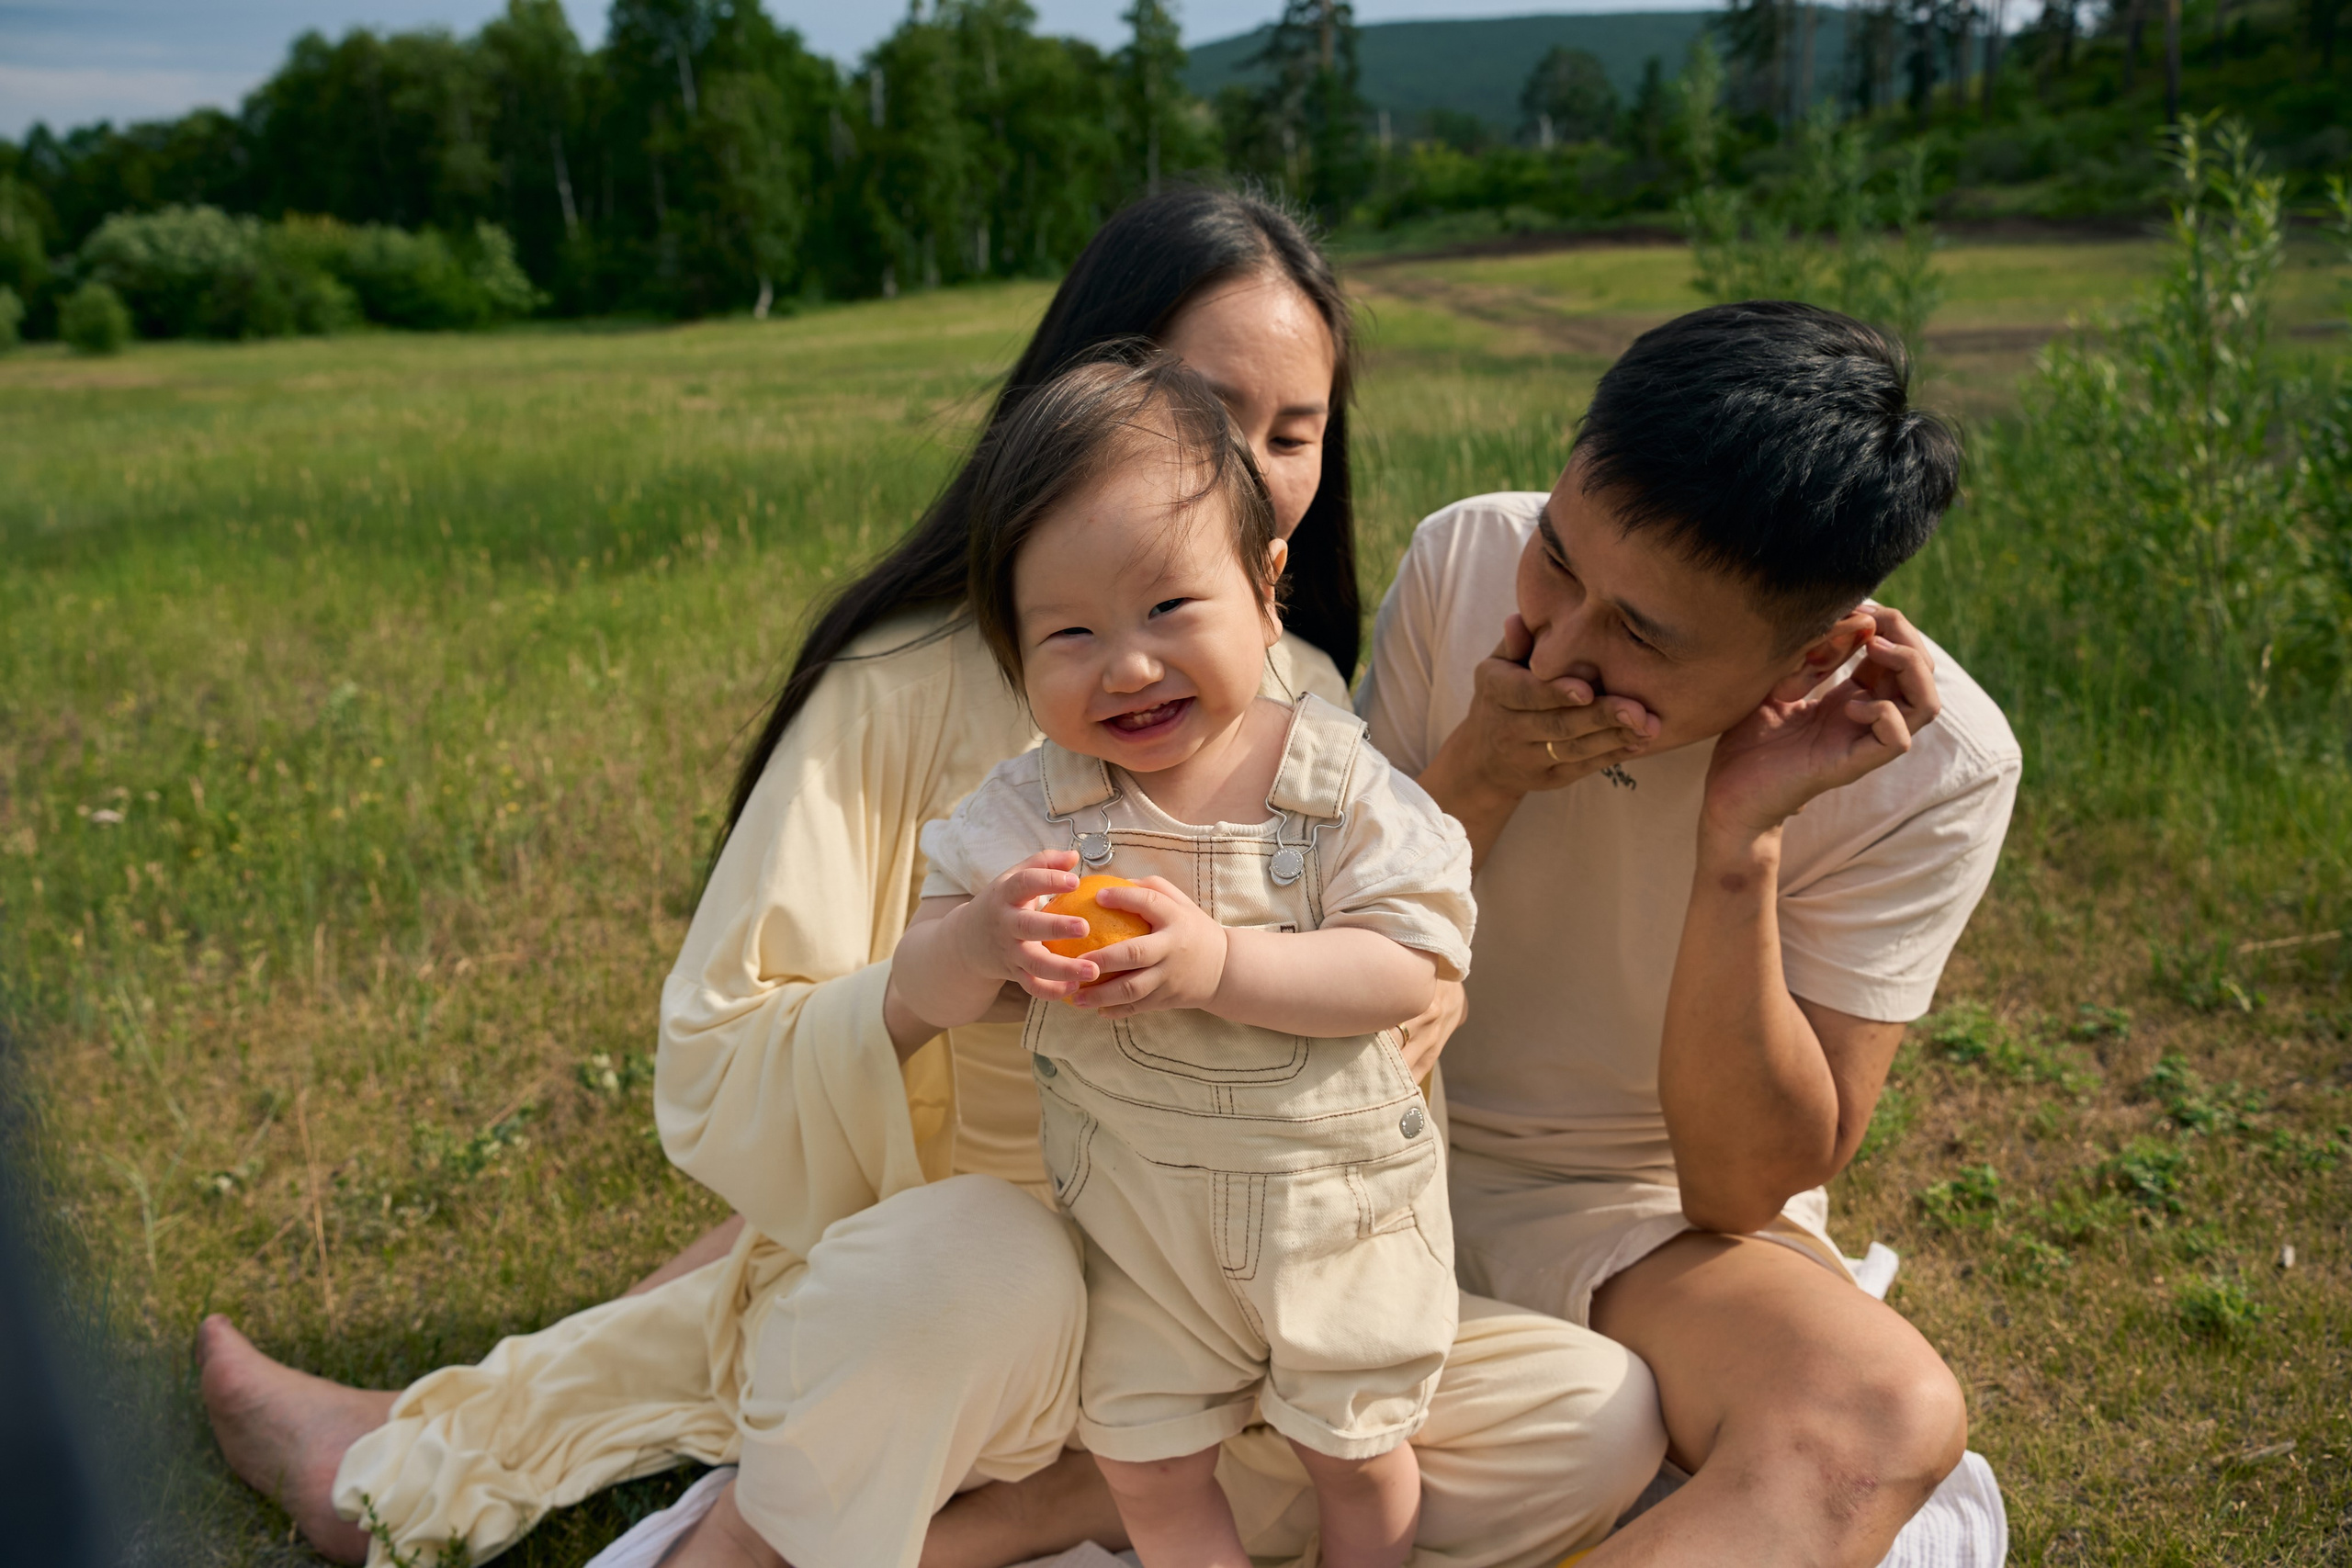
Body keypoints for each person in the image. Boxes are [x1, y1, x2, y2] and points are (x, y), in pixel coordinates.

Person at [196, 186, 1666, 1568]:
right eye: (1210, 415)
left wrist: (1405, 990)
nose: (1257, 474)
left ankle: (987, 1523)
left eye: (1296, 433)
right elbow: (722, 1061)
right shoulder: (905, 686)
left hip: (1230, 1284)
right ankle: (726, 1497)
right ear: (1079, 400)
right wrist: (948, 973)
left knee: (1588, 1419)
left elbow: (1377, 944)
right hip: (978, 1295)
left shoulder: (1308, 694)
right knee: (983, 1268)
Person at [1362, 300, 2021, 1568]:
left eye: (1641, 635)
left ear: (1813, 656)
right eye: (1560, 560)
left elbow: (1734, 1189)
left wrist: (1742, 843)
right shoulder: (1462, 559)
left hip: (1632, 1221)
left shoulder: (1934, 769)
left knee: (1879, 1421)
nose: (1561, 649)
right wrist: (1481, 769)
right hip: (1363, 1129)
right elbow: (1314, 942)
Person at [897, 352, 1474, 1568]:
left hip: (1337, 1220)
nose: (1128, 665)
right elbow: (916, 983)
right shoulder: (1031, 812)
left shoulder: (1336, 786)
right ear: (1010, 650)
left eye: (1169, 608)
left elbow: (1404, 973)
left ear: (1267, 588)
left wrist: (1221, 965)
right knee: (1147, 1468)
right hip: (1140, 1232)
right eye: (1069, 632)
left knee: (1359, 1460)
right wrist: (980, 938)